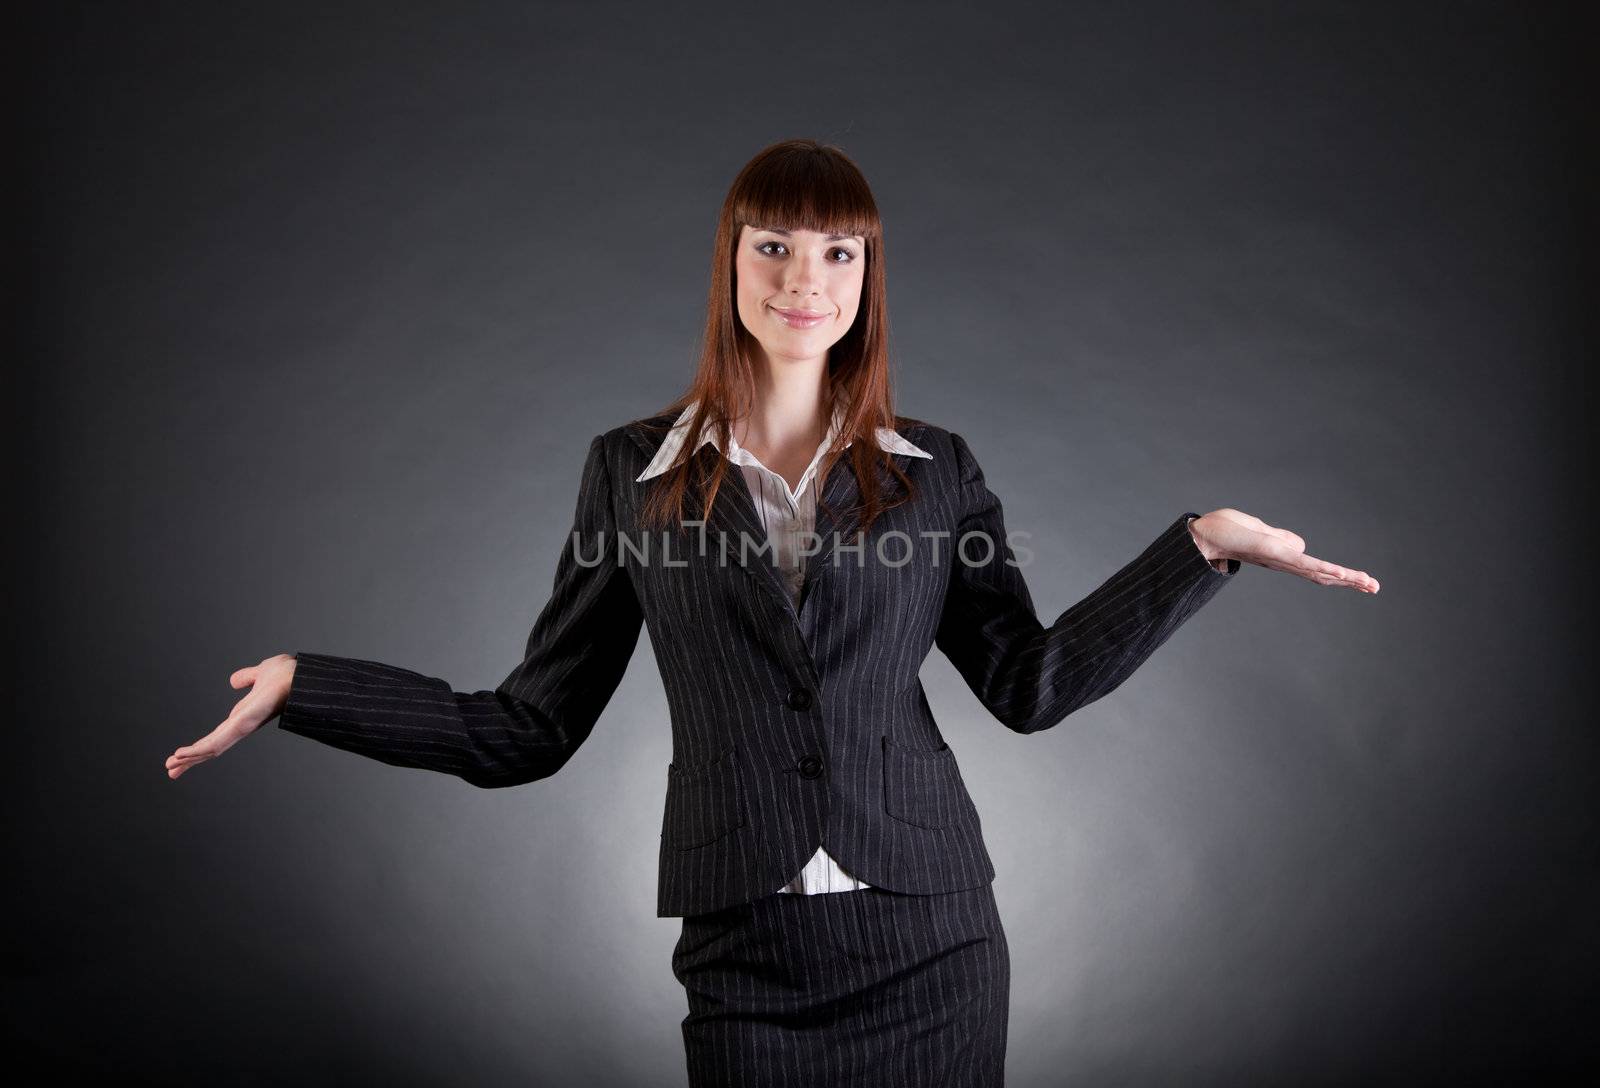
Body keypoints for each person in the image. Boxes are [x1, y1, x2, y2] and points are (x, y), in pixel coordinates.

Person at [165, 138, 1378, 1086]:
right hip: (745, 950)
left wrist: (1200, 547)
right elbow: (527, 726)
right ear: (731, 262)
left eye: (839, 252)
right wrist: (307, 686)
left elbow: (1030, 681)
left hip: (933, 940)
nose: (806, 280)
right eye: (775, 247)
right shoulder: (629, 473)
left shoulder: (937, 468)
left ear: (869, 273)